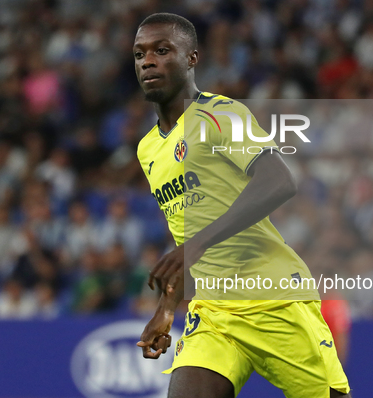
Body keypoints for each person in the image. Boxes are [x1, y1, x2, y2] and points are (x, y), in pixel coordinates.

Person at [133, 13, 351, 398]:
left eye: (162, 50)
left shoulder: (222, 115)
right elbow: (186, 235)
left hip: (272, 295)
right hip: (213, 313)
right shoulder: (148, 148)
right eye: (139, 54)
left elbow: (280, 181)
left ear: (191, 58)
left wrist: (195, 246)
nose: (148, 61)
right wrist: (167, 309)